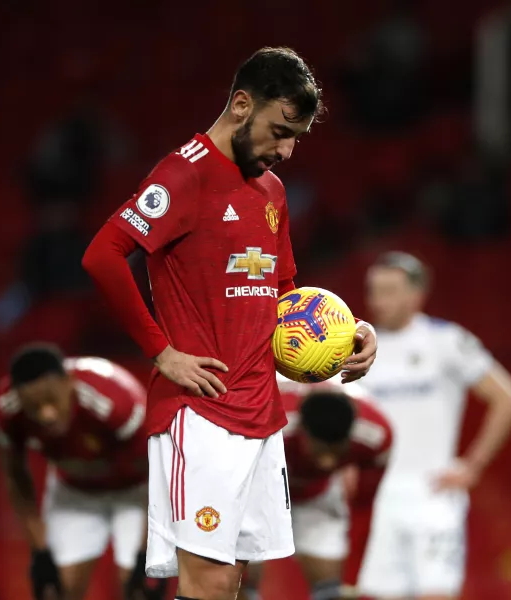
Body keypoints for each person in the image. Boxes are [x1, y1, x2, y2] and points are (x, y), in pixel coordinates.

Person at [81, 47, 378, 600]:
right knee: (209, 581)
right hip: (201, 410)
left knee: (237, 579)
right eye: (280, 130)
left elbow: (283, 294)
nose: (286, 149)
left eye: (296, 138)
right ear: (242, 104)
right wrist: (161, 352)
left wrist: (347, 333)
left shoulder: (272, 192)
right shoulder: (183, 173)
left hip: (261, 412)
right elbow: (102, 255)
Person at [356, 251, 511, 600]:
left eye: (389, 290)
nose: (378, 300)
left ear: (417, 295)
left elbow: (509, 398)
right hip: (375, 498)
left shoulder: (446, 340)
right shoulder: (357, 348)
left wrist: (473, 465)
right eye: (374, 290)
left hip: (432, 494)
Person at [0, 345, 162, 600]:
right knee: (56, 590)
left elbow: (158, 473)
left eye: (51, 400)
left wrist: (146, 551)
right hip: (75, 491)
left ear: (69, 383)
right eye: (34, 407)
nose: (46, 414)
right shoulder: (8, 409)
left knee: (138, 591)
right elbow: (16, 476)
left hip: (136, 491)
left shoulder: (116, 401)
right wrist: (40, 551)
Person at [241, 377, 392, 600]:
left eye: (337, 450)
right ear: (303, 431)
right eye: (320, 450)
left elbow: (363, 506)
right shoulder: (266, 424)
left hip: (317, 494)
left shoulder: (376, 436)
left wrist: (350, 582)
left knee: (332, 592)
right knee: (237, 583)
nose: (327, 462)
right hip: (257, 491)